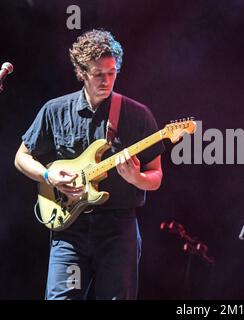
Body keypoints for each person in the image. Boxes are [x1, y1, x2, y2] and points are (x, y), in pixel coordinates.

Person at [14, 29, 164, 299]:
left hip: (118, 231)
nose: (106, 80)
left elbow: (156, 175)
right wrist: (48, 175)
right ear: (81, 72)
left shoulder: (138, 115)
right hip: (70, 229)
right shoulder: (55, 110)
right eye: (98, 74)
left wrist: (136, 178)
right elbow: (21, 158)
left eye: (111, 72)